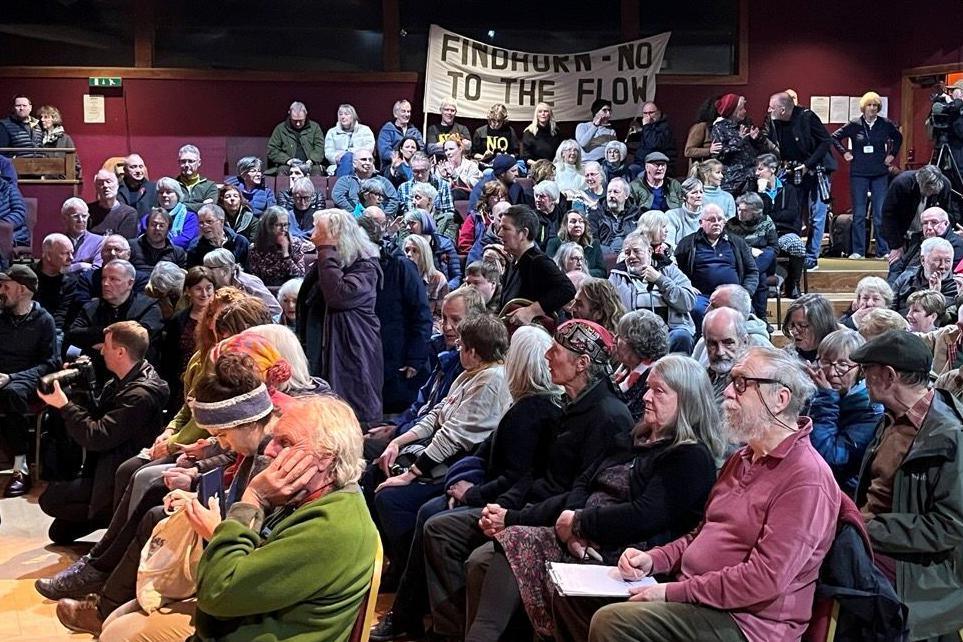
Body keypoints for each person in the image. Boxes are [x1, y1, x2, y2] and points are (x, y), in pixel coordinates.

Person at [590, 346, 841, 642]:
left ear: (780, 399)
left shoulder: (806, 477)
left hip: (748, 624)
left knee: (614, 622)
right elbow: (702, 533)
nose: (729, 393)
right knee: (583, 599)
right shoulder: (743, 457)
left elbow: (765, 579)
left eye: (742, 383)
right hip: (702, 600)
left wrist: (672, 592)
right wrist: (654, 559)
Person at [420, 319, 633, 640]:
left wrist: (510, 517)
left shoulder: (607, 416)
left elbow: (580, 497)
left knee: (478, 561)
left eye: (556, 350)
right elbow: (533, 474)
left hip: (553, 523)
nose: (546, 355)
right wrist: (499, 508)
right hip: (529, 509)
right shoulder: (568, 403)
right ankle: (448, 632)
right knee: (439, 528)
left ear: (582, 363)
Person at [510, 355, 722, 642]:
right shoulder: (633, 436)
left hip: (628, 552)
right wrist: (571, 524)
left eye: (658, 391)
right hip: (584, 533)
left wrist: (580, 522)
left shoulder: (690, 456)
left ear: (686, 401)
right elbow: (585, 480)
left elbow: (643, 514)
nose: (646, 397)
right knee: (499, 550)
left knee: (524, 561)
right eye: (648, 388)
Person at [185, 395, 378, 640]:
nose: (268, 450)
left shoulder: (330, 528)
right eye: (273, 439)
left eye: (285, 442)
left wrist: (253, 497)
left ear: (326, 457)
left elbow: (216, 592)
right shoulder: (304, 499)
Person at [371, 313, 509, 570]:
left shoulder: (492, 380)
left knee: (390, 498)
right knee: (375, 472)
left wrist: (409, 475)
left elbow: (452, 436)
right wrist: (397, 443)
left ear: (475, 352)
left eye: (461, 346)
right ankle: (388, 565)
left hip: (461, 465)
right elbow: (436, 415)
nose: (457, 350)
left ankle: (406, 570)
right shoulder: (469, 374)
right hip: (438, 455)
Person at [851, 331, 963, 641]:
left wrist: (867, 529)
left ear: (888, 376)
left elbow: (949, 526)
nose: (862, 378)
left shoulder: (950, 435)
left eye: (866, 370)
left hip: (923, 571)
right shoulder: (891, 418)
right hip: (882, 544)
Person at [36, 321, 169, 543]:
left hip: (117, 474)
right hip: (103, 466)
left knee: (51, 500)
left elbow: (97, 436)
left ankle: (111, 516)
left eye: (106, 345)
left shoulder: (140, 395)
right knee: (59, 533)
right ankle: (104, 516)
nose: (101, 349)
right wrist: (77, 392)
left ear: (120, 352)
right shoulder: (121, 380)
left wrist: (64, 406)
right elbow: (97, 416)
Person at [298, 208, 383, 425]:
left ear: (334, 235)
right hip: (326, 349)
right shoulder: (330, 264)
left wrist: (326, 250)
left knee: (353, 413)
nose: (312, 234)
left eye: (318, 229)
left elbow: (338, 296)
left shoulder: (365, 268)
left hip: (352, 353)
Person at [802, 328, 884, 496]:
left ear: (861, 370)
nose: (832, 373)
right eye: (825, 362)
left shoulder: (871, 410)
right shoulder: (816, 394)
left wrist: (826, 399)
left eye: (843, 365)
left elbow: (830, 459)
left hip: (843, 493)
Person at [0, 265, 58, 497]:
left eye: (6, 287)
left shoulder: (44, 321)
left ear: (22, 290)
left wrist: (12, 377)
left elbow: (50, 362)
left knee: (11, 393)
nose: (1, 291)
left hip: (27, 379)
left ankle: (20, 468)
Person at [766, 91, 834, 270]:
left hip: (818, 170)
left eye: (771, 107)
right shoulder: (775, 123)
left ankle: (812, 256)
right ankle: (794, 253)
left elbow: (826, 141)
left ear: (782, 109)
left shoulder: (807, 117)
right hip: (795, 171)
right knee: (794, 212)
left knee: (817, 216)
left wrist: (808, 165)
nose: (768, 110)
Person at [831, 91, 903, 259]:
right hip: (859, 173)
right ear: (863, 107)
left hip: (879, 173)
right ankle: (858, 251)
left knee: (879, 214)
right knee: (859, 214)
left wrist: (892, 155)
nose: (872, 108)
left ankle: (882, 250)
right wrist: (845, 153)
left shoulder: (885, 124)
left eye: (875, 106)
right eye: (869, 105)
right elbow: (834, 137)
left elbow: (898, 138)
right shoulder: (855, 124)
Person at [675, 204, 759, 331]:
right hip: (702, 296)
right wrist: (686, 286)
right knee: (697, 310)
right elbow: (676, 271)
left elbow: (752, 271)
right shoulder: (687, 243)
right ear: (701, 222)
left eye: (720, 219)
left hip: (732, 296)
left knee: (745, 314)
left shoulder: (737, 242)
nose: (717, 223)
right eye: (712, 220)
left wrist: (745, 292)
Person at [609, 232, 697, 353]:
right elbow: (609, 310)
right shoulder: (617, 276)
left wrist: (659, 280)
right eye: (627, 253)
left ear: (649, 251)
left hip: (672, 329)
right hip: (635, 332)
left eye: (636, 251)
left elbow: (688, 302)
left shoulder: (669, 270)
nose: (631, 256)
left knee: (682, 337)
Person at [66, 259, 163, 367]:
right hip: (98, 370)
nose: (105, 283)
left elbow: (140, 337)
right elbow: (74, 333)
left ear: (130, 283)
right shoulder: (92, 307)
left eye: (113, 279)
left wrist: (104, 345)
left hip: (136, 372)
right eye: (103, 278)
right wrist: (112, 339)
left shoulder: (148, 307)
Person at [498, 205, 577, 324]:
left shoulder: (538, 261)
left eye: (505, 229)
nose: (499, 233)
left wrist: (531, 311)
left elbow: (567, 290)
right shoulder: (513, 261)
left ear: (524, 233)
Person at [882, 166, 958, 269]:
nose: (930, 193)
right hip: (902, 234)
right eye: (928, 189)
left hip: (929, 237)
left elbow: (949, 214)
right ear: (919, 181)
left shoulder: (945, 186)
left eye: (933, 191)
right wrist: (896, 245)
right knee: (897, 265)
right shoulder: (901, 184)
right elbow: (889, 216)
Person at [160, 265, 214, 408]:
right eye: (198, 288)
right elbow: (169, 358)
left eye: (209, 288)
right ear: (187, 291)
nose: (204, 293)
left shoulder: (221, 319)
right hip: (183, 384)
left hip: (213, 381)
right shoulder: (178, 321)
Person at [754, 153, 807, 297]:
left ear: (772, 169)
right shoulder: (754, 190)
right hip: (761, 234)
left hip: (783, 232)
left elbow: (791, 214)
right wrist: (761, 194)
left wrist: (770, 217)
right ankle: (766, 284)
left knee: (797, 245)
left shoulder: (788, 189)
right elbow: (757, 215)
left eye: (760, 169)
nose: (756, 173)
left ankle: (793, 284)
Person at [690, 284, 772, 367]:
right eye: (712, 344)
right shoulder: (704, 340)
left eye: (715, 307)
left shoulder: (759, 344)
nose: (707, 311)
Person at [725, 191, 779, 318]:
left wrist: (759, 254)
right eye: (739, 209)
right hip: (742, 261)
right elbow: (730, 246)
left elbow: (774, 248)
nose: (740, 213)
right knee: (760, 279)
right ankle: (761, 318)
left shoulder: (766, 221)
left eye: (745, 211)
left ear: (755, 211)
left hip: (763, 260)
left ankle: (756, 315)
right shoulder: (731, 224)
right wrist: (750, 250)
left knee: (769, 253)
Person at [611, 309, 669, 421]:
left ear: (636, 343)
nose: (614, 339)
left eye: (620, 336)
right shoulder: (624, 368)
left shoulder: (653, 378)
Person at [711, 93, 767, 197]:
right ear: (732, 112)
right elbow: (719, 155)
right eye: (741, 109)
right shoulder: (719, 128)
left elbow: (756, 150)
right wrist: (738, 140)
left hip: (751, 176)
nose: (745, 111)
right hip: (733, 181)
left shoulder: (745, 125)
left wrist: (755, 139)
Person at [888, 206, 963, 283]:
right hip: (903, 284)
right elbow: (900, 266)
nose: (929, 227)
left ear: (946, 223)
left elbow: (948, 277)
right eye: (925, 223)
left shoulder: (956, 245)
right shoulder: (917, 239)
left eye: (934, 222)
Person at [203, 248, 281, 318]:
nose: (205, 272)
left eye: (209, 268)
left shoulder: (248, 283)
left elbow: (275, 310)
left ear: (225, 270)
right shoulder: (213, 286)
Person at [247, 205, 311, 287]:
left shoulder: (295, 244)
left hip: (290, 291)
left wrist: (285, 254)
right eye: (279, 225)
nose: (283, 229)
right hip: (266, 290)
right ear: (268, 226)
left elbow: (299, 277)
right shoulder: (255, 248)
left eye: (285, 225)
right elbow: (256, 279)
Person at [892, 236, 958, 315]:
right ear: (923, 260)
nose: (942, 266)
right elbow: (890, 306)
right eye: (937, 260)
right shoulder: (907, 277)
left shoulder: (956, 287)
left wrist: (935, 294)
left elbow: (940, 319)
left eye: (947, 261)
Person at [700, 306, 752, 400]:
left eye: (728, 343)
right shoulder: (700, 378)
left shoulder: (751, 384)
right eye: (712, 344)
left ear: (744, 342)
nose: (720, 352)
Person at [332, 147, 400, 216]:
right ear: (354, 164)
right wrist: (359, 213)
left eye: (370, 160)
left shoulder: (383, 181)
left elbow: (393, 200)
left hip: (378, 221)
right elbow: (338, 197)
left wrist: (380, 215)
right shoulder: (345, 181)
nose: (368, 163)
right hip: (352, 220)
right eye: (363, 160)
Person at [32, 233, 81, 330]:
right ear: (48, 255)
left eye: (72, 253)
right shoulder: (28, 276)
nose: (71, 258)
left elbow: (62, 314)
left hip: (54, 330)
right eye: (65, 253)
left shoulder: (71, 281)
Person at [403, 209, 461, 289]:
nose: (408, 228)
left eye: (412, 223)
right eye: (407, 224)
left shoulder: (444, 244)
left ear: (424, 223)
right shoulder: (408, 245)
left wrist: (445, 289)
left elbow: (456, 276)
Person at [266, 100, 325, 175]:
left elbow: (320, 148)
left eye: (301, 121)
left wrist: (312, 160)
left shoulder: (315, 127)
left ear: (306, 114)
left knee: (316, 171)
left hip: (310, 164)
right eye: (295, 121)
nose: (298, 124)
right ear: (289, 114)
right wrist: (287, 160)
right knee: (282, 170)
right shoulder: (280, 129)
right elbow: (272, 150)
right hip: (287, 164)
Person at [398, 151, 456, 226]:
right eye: (416, 171)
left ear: (429, 168)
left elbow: (449, 214)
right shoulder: (403, 188)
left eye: (423, 171)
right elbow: (402, 216)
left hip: (437, 227)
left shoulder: (442, 185)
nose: (420, 175)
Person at [187, 204, 250, 268]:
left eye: (209, 221)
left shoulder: (240, 242)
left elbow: (248, 272)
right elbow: (194, 275)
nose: (204, 226)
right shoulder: (195, 247)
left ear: (221, 222)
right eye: (201, 223)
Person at [547, 210, 606, 278]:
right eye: (573, 221)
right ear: (565, 225)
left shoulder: (594, 244)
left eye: (581, 221)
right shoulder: (554, 243)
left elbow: (602, 271)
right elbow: (549, 269)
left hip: (588, 283)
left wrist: (581, 273)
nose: (577, 225)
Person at [782, 293, 839, 362]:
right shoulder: (786, 357)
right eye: (792, 325)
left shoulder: (842, 356)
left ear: (821, 325)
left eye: (802, 325)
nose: (794, 331)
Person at [467, 153, 534, 212]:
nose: (517, 174)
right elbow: (473, 213)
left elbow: (522, 211)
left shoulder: (516, 187)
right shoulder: (482, 188)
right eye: (513, 171)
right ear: (502, 174)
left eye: (517, 170)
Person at [324, 103, 376, 177]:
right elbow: (328, 152)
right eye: (340, 114)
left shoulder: (365, 130)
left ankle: (344, 186)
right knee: (346, 160)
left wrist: (347, 154)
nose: (343, 117)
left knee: (348, 156)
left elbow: (369, 148)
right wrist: (337, 157)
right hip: (338, 166)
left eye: (346, 114)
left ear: (353, 116)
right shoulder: (332, 132)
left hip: (362, 165)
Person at [129, 208, 187, 274]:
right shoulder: (131, 246)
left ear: (168, 229)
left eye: (161, 226)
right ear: (147, 226)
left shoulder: (178, 253)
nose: (157, 228)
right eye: (153, 224)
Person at [87, 169, 139, 239]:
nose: (105, 186)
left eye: (109, 182)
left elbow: (125, 243)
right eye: (100, 183)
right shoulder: (87, 211)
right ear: (96, 188)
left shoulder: (129, 214)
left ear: (117, 185)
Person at [626, 101, 677, 171]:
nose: (648, 116)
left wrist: (646, 126)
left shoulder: (665, 127)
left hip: (658, 166)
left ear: (658, 113)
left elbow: (653, 144)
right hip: (641, 163)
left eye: (651, 113)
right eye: (645, 113)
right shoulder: (648, 127)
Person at [460, 182, 506, 256]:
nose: (500, 200)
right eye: (496, 196)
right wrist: (476, 256)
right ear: (487, 198)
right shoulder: (476, 217)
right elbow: (464, 244)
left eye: (502, 196)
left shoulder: (510, 217)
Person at [152, 176, 199, 250]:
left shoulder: (190, 217)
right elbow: (142, 235)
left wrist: (162, 244)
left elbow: (187, 238)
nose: (164, 195)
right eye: (161, 192)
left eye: (168, 192)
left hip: (179, 255)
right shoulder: (150, 216)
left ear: (177, 195)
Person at [378, 99, 424, 172]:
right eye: (403, 111)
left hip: (412, 167)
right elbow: (384, 152)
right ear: (396, 114)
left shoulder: (415, 131)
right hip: (391, 168)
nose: (407, 114)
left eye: (408, 111)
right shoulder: (387, 130)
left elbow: (421, 149)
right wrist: (403, 154)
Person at [60, 197, 104, 271]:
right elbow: (54, 270)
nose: (81, 220)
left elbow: (97, 270)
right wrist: (81, 266)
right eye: (75, 216)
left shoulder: (100, 241)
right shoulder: (58, 243)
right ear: (65, 219)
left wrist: (67, 269)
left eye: (84, 216)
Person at [37, 104, 80, 179]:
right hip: (41, 181)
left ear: (54, 119)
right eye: (41, 117)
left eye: (46, 117)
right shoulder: (38, 137)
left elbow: (75, 164)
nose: (42, 120)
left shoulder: (65, 139)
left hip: (60, 181)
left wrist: (64, 178)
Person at [663, 176, 704, 250]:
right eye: (694, 193)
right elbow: (669, 244)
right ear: (684, 197)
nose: (699, 195)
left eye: (701, 192)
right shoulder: (672, 216)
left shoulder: (708, 215)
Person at [175, 144, 219, 213]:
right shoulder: (172, 184)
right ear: (178, 162)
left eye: (190, 161)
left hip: (200, 222)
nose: (186, 165)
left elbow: (210, 208)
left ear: (199, 163)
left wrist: (179, 206)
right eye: (183, 161)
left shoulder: (210, 186)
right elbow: (167, 207)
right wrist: (202, 205)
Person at [436, 135, 482, 199]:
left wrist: (455, 175)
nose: (448, 153)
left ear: (460, 149)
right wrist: (443, 178)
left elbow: (474, 186)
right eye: (446, 150)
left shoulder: (471, 166)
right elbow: (437, 190)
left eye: (451, 149)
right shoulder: (441, 167)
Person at [684, 95, 723, 170]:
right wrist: (709, 151)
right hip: (703, 172)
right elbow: (688, 151)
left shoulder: (721, 127)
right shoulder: (701, 127)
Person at [116, 153, 156, 218]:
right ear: (125, 170)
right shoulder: (116, 189)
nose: (138, 171)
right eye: (133, 167)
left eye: (141, 167)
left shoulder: (153, 188)